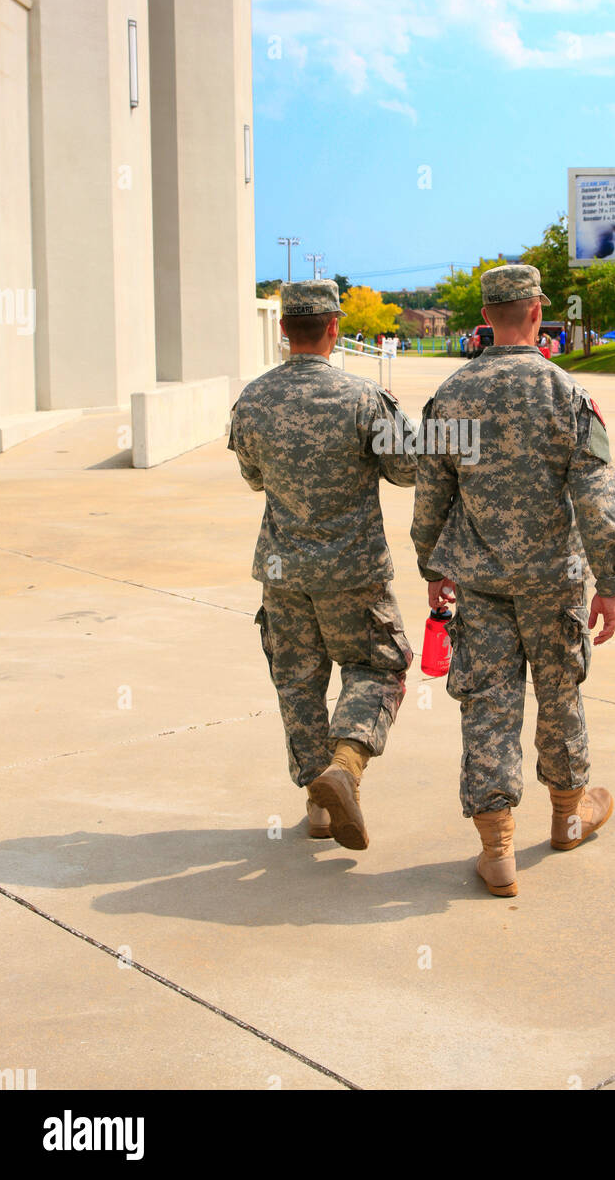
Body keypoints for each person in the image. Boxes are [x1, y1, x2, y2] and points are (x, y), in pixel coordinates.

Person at [411, 263, 615, 898]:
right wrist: (609, 581)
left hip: (477, 583)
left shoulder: (450, 397)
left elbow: (430, 499)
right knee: (560, 697)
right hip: (553, 581)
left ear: (486, 316)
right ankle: (566, 819)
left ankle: (496, 850)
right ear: (538, 312)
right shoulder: (567, 394)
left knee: (488, 704)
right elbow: (597, 493)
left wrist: (434, 567)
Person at [229, 280, 418, 850]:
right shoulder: (363, 398)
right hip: (353, 573)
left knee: (298, 682)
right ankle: (346, 766)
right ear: (335, 328)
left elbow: (253, 476)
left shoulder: (253, 399)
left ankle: (318, 804)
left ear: (284, 330)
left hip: (284, 572)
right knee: (379, 666)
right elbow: (408, 469)